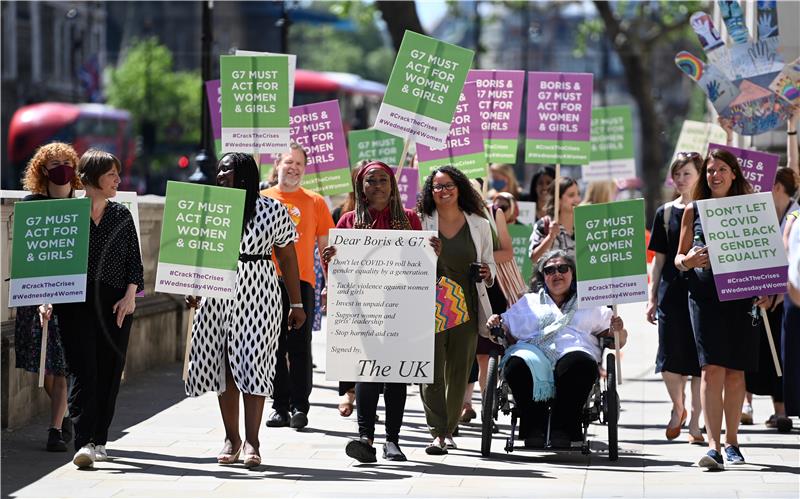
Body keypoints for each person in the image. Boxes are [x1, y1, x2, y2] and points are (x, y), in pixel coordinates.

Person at [185, 152, 306, 468]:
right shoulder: (209, 209)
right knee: (223, 365)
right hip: (217, 293)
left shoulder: (272, 209)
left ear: (245, 175)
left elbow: (288, 257)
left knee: (255, 362)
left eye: (227, 169)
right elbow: (194, 252)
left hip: (260, 292)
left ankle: (253, 440)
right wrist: (191, 287)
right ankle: (231, 437)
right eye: (219, 169)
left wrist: (296, 303)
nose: (220, 173)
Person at [321, 161, 431, 463]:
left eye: (384, 179)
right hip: (363, 310)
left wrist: (434, 251)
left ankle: (392, 440)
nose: (378, 185)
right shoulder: (347, 222)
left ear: (392, 185)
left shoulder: (409, 220)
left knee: (396, 378)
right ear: (361, 186)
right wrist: (328, 258)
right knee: (366, 373)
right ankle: (365, 437)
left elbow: (420, 264)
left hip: (400, 308)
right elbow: (337, 271)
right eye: (371, 180)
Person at [53, 149, 143, 468]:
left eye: (118, 174)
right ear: (92, 178)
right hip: (74, 302)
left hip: (115, 303)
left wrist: (131, 296)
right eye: (111, 175)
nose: (118, 180)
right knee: (83, 371)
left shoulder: (121, 214)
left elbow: (135, 263)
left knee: (108, 373)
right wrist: (44, 297)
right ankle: (84, 442)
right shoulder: (68, 213)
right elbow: (50, 259)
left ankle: (100, 439)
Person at [486, 250, 627, 447]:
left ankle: (564, 430)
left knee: (578, 364)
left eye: (562, 268)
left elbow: (617, 338)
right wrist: (495, 322)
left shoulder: (590, 302)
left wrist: (618, 330)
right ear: (543, 276)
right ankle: (533, 429)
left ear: (572, 273)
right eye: (549, 270)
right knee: (516, 365)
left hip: (575, 353)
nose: (557, 274)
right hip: (533, 354)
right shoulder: (528, 302)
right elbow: (503, 329)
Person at [674, 149, 758, 470]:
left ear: (734, 173)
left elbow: (764, 253)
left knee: (736, 372)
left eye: (722, 169)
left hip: (740, 298)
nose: (715, 176)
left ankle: (732, 441)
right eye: (710, 171)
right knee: (711, 369)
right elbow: (680, 259)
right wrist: (689, 261)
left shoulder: (750, 209)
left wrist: (765, 290)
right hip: (705, 299)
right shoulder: (693, 211)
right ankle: (713, 446)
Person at [417, 165, 496, 454]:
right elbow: (408, 260)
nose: (444, 191)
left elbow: (491, 263)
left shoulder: (480, 224)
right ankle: (437, 430)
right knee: (430, 368)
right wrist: (426, 252)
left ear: (460, 187)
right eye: (437, 186)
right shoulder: (422, 221)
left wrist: (487, 271)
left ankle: (448, 428)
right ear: (430, 191)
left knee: (459, 369)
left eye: (449, 185)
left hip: (467, 305)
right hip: (428, 305)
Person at [262, 143, 335, 430]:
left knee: (300, 346)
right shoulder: (262, 198)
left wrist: (330, 284)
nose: (294, 168)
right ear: (277, 164)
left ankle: (299, 407)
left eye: (299, 165)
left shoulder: (315, 201)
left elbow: (326, 248)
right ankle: (278, 405)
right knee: (273, 346)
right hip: (266, 282)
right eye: (289, 162)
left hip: (303, 282)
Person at [15, 142, 81, 452]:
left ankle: (55, 429)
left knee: (61, 366)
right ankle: (65, 413)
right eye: (53, 163)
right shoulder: (30, 205)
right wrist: (40, 295)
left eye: (66, 162)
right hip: (35, 297)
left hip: (70, 298)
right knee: (45, 369)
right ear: (42, 170)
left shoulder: (83, 206)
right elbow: (27, 255)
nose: (61, 168)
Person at [646, 152, 704, 444]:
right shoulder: (665, 212)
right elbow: (659, 259)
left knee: (699, 360)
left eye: (687, 174)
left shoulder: (709, 210)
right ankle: (678, 407)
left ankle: (695, 422)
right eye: (677, 174)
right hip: (671, 289)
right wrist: (651, 295)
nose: (681, 180)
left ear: (699, 175)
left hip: (702, 291)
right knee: (668, 356)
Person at [742, 167, 799, 432]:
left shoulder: (794, 214)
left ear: (776, 186)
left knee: (783, 352)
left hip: (787, 296)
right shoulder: (758, 213)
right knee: (755, 351)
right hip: (760, 293)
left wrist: (778, 294)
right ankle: (747, 403)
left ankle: (782, 411)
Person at [528, 176, 580, 264]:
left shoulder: (583, 224)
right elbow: (534, 258)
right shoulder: (544, 225)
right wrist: (550, 237)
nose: (577, 199)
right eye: (571, 195)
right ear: (558, 199)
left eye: (578, 194)